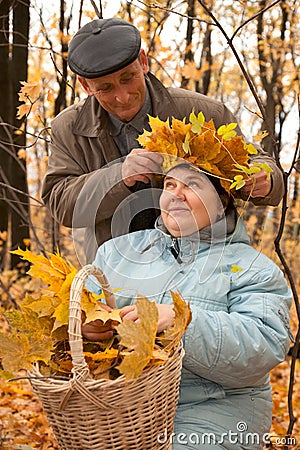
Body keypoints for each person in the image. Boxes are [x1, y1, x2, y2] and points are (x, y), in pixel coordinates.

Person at [83, 161, 292, 450]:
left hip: (212, 411)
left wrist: (183, 323)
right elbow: (81, 311)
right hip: (123, 411)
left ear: (221, 202)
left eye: (192, 185)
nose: (176, 193)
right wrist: (87, 326)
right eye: (170, 185)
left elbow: (265, 344)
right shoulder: (116, 252)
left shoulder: (253, 268)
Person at [42, 18, 284, 263]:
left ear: (144, 62)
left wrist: (266, 180)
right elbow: (61, 204)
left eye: (128, 78)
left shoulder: (199, 112)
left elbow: (257, 162)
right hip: (118, 272)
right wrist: (119, 175)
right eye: (105, 88)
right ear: (85, 85)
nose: (122, 97)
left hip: (206, 266)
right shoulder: (69, 128)